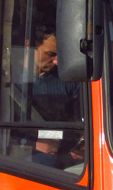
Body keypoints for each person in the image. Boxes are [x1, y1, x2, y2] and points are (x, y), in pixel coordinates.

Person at [22, 24, 82, 167]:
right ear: (29, 46)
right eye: (50, 54)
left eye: (59, 56)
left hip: (66, 155)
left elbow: (80, 120)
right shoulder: (10, 81)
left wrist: (81, 143)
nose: (56, 62)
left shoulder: (68, 82)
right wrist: (32, 145)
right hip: (26, 159)